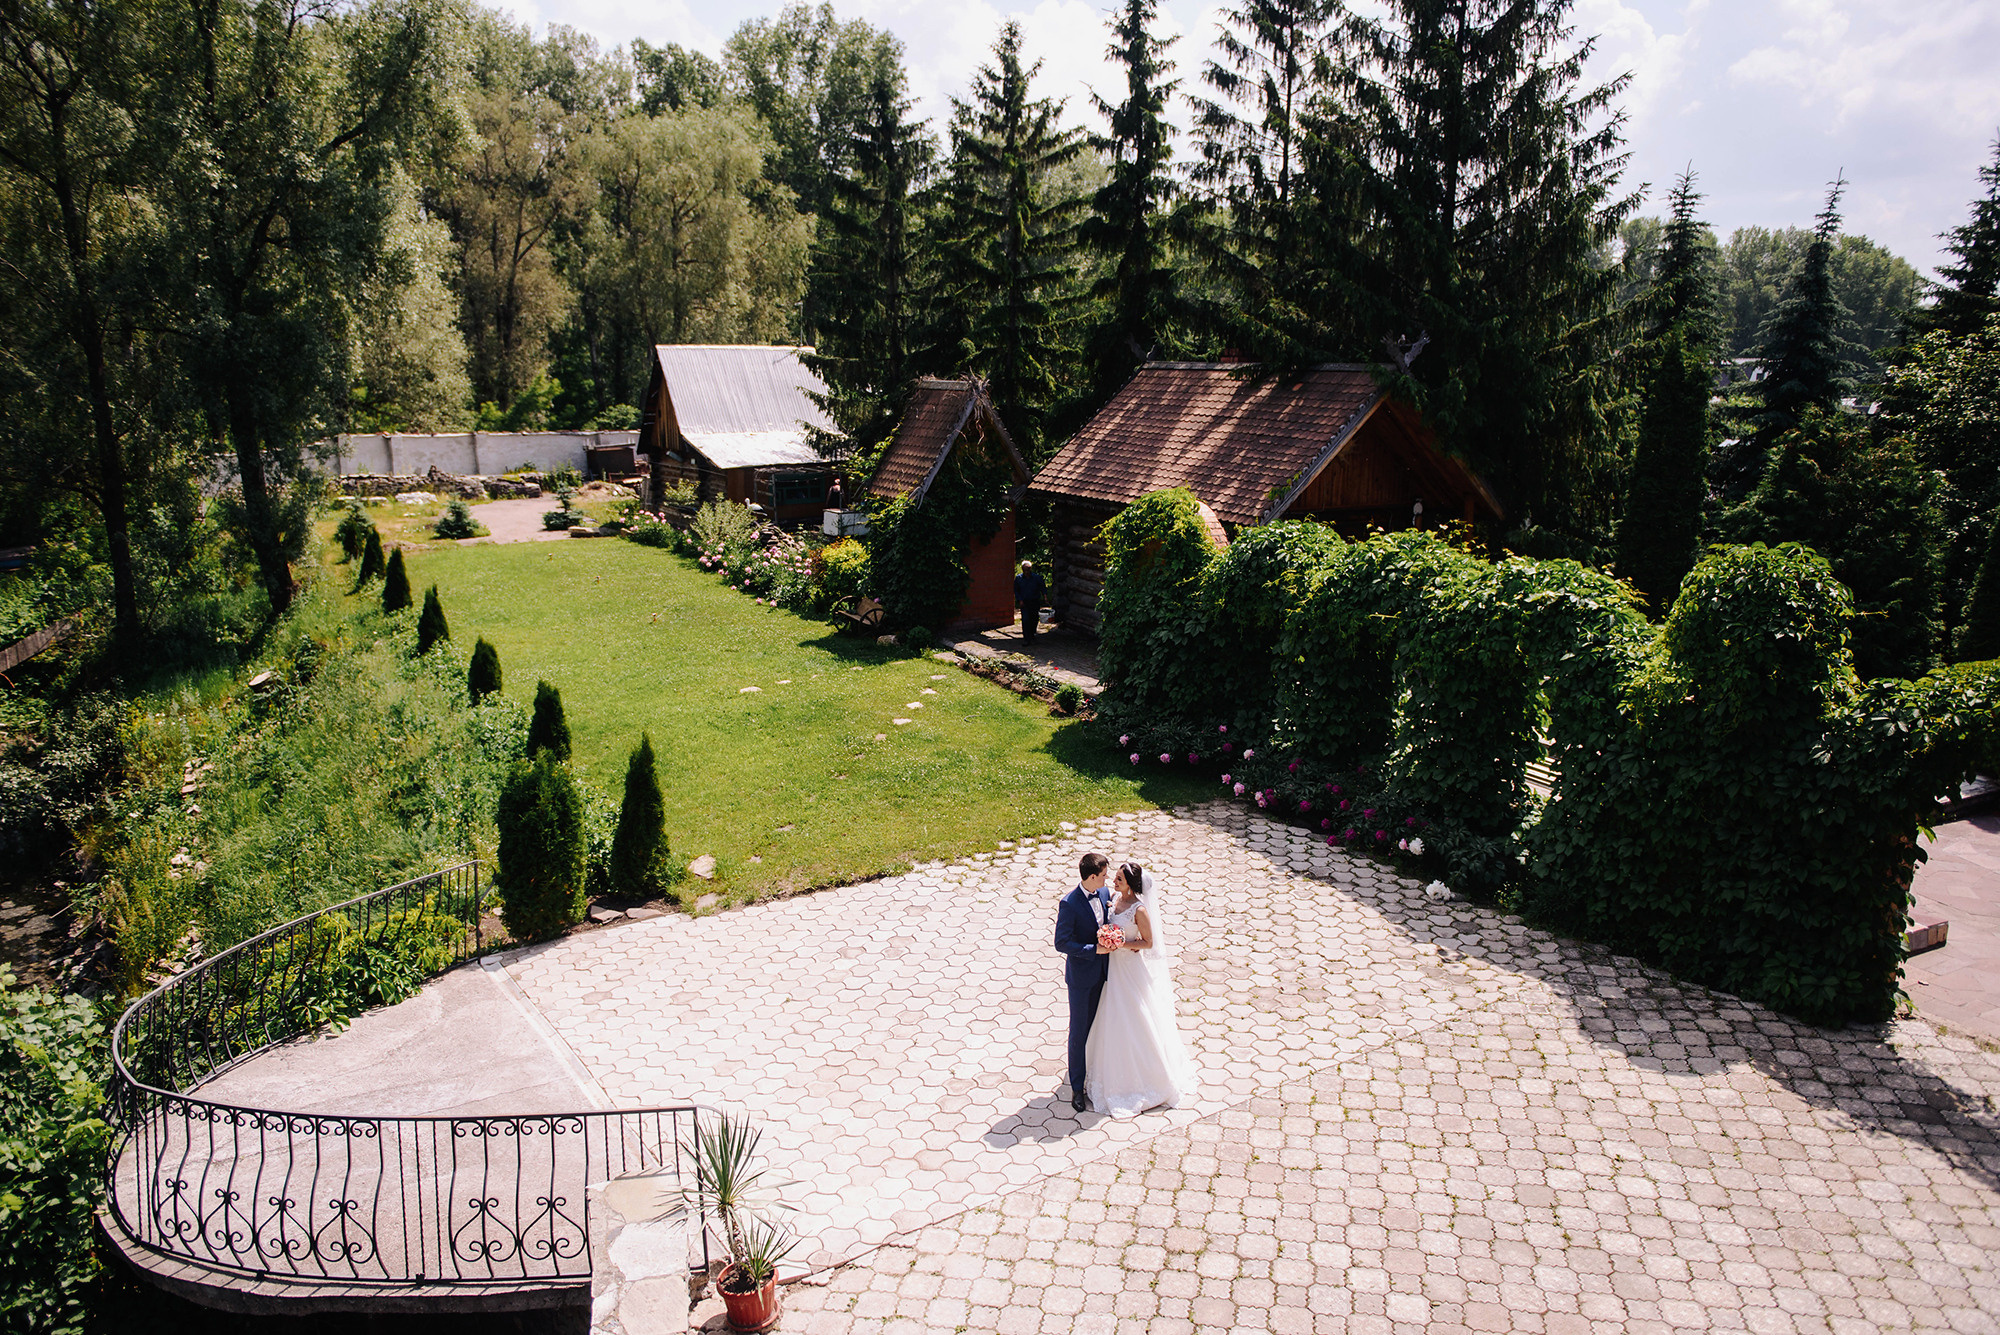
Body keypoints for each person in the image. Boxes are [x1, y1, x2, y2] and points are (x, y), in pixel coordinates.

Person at [1082, 861, 1199, 1117]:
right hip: (1112, 968)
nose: (1114, 882)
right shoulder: (1113, 899)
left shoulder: (1140, 909)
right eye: (1114, 878)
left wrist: (1120, 943)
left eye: (1119, 880)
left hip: (1129, 968)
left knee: (1134, 1016)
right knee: (1110, 1017)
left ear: (1131, 885)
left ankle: (1150, 1079)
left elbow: (1148, 943)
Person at [1052, 852, 1113, 1112]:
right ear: (1091, 877)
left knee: (1101, 1025)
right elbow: (1061, 943)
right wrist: (1092, 950)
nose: (1107, 879)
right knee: (1079, 1031)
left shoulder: (1105, 894)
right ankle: (1077, 1087)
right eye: (1103, 875)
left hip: (1106, 973)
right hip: (1081, 978)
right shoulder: (1070, 904)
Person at [1015, 561, 1046, 640]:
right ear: (1022, 569)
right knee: (1025, 620)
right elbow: (1016, 590)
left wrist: (1045, 596)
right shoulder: (1019, 578)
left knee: (1034, 619)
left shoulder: (1036, 578)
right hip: (1025, 602)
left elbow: (1042, 587)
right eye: (1025, 569)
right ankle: (1026, 638)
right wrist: (1020, 600)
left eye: (1028, 569)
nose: (1027, 571)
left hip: (1034, 601)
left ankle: (1032, 634)